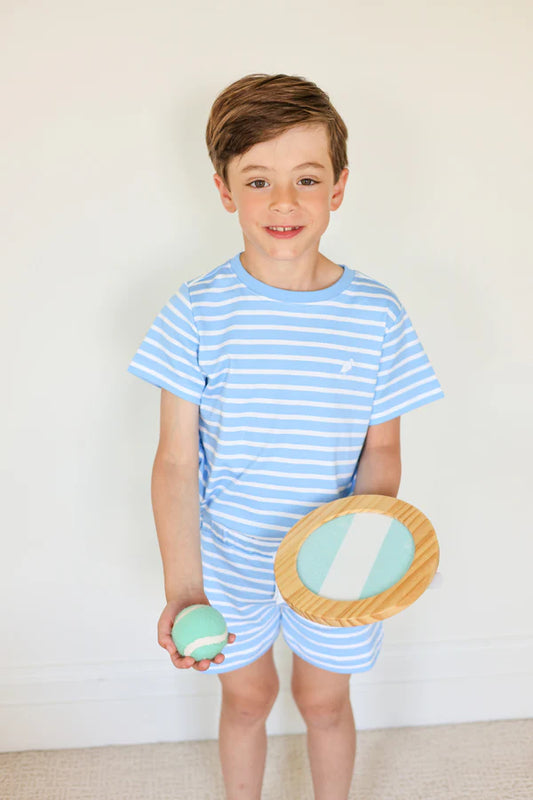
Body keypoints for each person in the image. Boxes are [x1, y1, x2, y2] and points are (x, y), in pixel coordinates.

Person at [128, 73, 444, 800]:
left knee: (323, 703)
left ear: (338, 187)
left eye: (306, 178)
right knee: (247, 700)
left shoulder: (377, 314)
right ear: (223, 190)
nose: (283, 202)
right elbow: (174, 462)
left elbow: (382, 451)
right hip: (230, 556)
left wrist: (359, 557)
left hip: (337, 563)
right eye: (257, 180)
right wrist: (184, 588)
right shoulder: (196, 311)